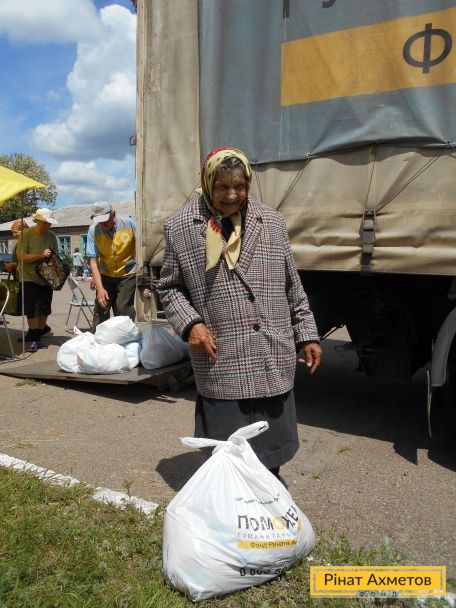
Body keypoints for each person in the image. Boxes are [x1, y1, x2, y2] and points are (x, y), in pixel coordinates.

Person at [158, 147, 322, 478]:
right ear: (208, 183)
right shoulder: (181, 226)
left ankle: (269, 498)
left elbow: (292, 284)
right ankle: (233, 505)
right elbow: (169, 287)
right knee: (228, 455)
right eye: (222, 187)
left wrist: (307, 334)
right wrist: (191, 324)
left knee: (271, 449)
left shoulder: (271, 221)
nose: (232, 195)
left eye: (240, 186)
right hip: (222, 355)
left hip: (270, 352)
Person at [86, 202, 136, 327]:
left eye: (105, 220)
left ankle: (126, 334)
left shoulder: (129, 224)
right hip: (106, 274)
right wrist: (99, 287)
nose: (102, 224)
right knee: (101, 306)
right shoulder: (93, 230)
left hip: (128, 273)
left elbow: (143, 246)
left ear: (113, 214)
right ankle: (98, 335)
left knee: (123, 308)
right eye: (99, 221)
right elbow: (93, 261)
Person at [15, 208, 58, 352]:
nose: (48, 226)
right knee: (32, 307)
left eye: (49, 223)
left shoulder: (51, 235)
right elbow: (20, 257)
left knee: (44, 307)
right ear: (37, 221)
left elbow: (55, 255)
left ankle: (37, 334)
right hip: (28, 276)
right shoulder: (26, 234)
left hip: (47, 277)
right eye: (45, 223)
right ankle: (34, 336)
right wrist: (40, 255)